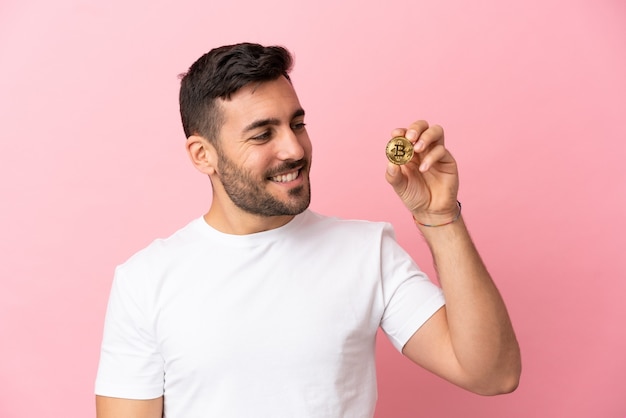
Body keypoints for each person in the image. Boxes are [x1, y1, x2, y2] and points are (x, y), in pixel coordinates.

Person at [95, 42, 521, 418]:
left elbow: (492, 373)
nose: (294, 149)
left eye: (297, 124)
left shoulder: (367, 251)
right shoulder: (145, 281)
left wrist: (439, 216)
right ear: (203, 154)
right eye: (263, 134)